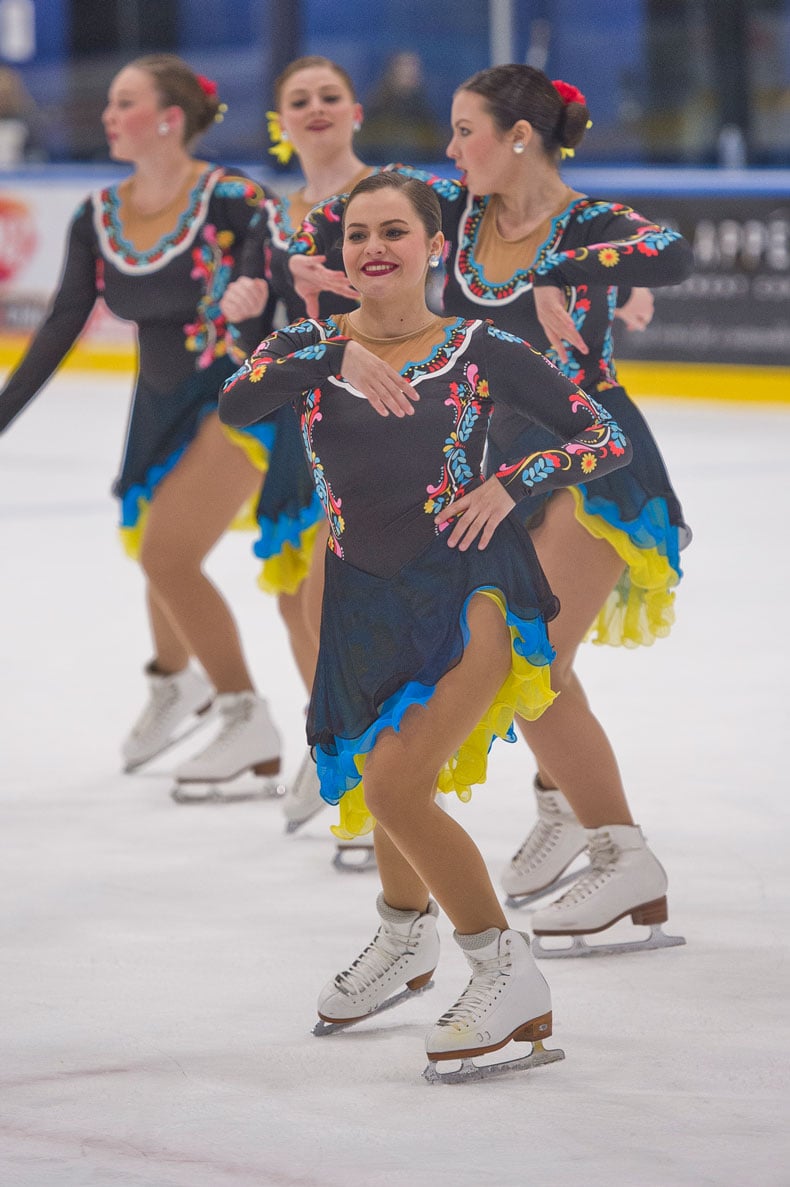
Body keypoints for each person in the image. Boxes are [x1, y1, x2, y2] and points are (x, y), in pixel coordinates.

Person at [219, 171, 632, 1079]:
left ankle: (502, 968)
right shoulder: (309, 344)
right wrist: (332, 358)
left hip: (470, 586)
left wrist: (511, 483)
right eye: (359, 232)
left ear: (433, 246)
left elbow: (604, 437)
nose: (374, 246)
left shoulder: (481, 348)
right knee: (372, 776)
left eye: (395, 230)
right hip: (362, 594)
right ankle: (407, 939)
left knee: (401, 786)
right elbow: (235, 401)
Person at [288, 65, 694, 955]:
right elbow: (343, 214)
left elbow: (670, 248)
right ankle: (569, 810)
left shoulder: (584, 221)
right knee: (520, 664)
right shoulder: (456, 212)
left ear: (518, 135)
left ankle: (624, 859)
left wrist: (566, 268)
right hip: (493, 465)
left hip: (591, 467)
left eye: (465, 129)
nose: (450, 147)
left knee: (531, 664)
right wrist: (303, 264)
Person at [0, 54, 284, 798]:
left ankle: (244, 712)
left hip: (242, 394)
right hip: (158, 405)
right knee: (155, 543)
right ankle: (174, 681)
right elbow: (61, 324)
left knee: (166, 553)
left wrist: (257, 286)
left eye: (123, 102)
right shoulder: (98, 215)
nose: (107, 114)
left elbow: (269, 275)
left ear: (169, 119)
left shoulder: (232, 198)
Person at [220, 55, 370, 836]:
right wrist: (246, 306)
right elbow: (263, 334)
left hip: (376, 410)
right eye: (299, 100)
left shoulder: (388, 197)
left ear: (356, 112)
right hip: (299, 415)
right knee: (292, 598)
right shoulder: (274, 217)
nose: (315, 109)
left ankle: (366, 756)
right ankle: (339, 738)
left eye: (329, 96)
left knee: (334, 594)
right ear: (281, 121)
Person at [355, 51, 445, 163]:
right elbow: (363, 144)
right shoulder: (377, 104)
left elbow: (435, 145)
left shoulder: (423, 106)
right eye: (404, 67)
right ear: (391, 71)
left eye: (413, 67)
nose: (410, 72)